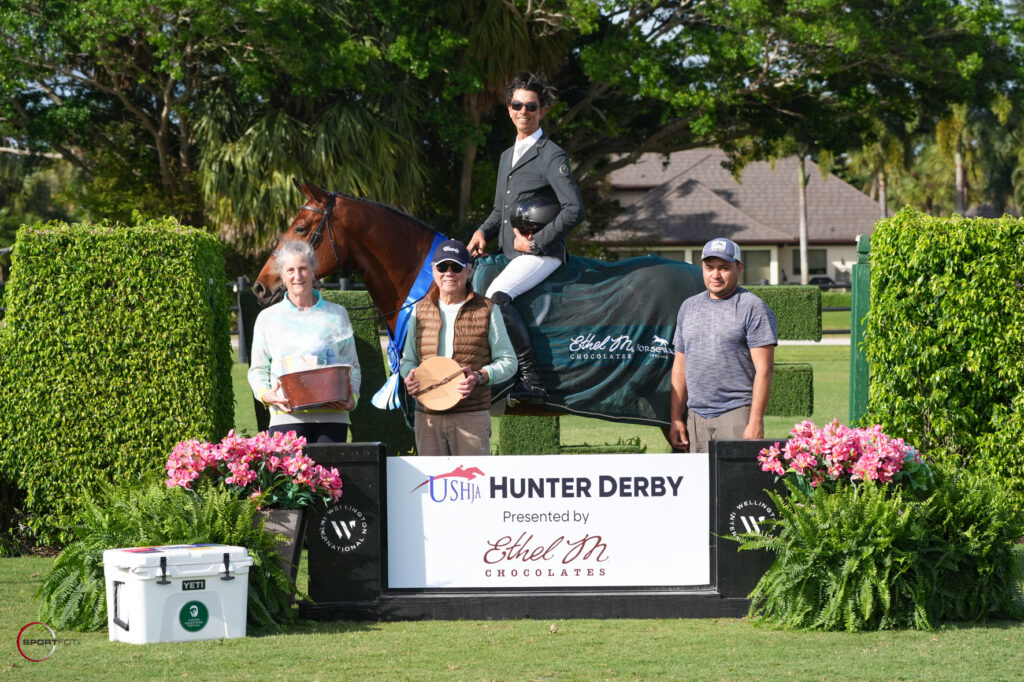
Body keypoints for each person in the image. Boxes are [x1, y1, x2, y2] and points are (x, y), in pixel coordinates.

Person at [466, 71, 584, 403]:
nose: (523, 112)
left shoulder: (551, 154)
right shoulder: (507, 155)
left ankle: (532, 379)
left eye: (531, 107)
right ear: (508, 108)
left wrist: (534, 243)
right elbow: (499, 211)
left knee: (496, 296)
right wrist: (481, 232)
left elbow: (574, 209)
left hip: (541, 254)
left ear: (542, 111)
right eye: (517, 105)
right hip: (511, 253)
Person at [400, 239, 517, 455]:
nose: (449, 273)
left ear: (469, 271)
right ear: (434, 270)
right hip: (428, 415)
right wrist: (410, 376)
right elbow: (408, 360)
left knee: (474, 487)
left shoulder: (487, 309)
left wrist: (480, 376)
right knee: (431, 485)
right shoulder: (419, 310)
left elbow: (509, 362)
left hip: (471, 415)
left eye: (456, 267)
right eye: (443, 267)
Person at [669, 237, 777, 454]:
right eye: (709, 268)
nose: (715, 275)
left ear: (739, 267)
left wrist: (755, 422)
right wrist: (675, 418)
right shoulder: (688, 307)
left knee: (737, 486)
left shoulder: (752, 307)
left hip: (736, 414)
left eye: (724, 268)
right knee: (700, 486)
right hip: (695, 417)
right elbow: (680, 366)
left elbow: (764, 370)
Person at [248, 240, 361, 443]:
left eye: (303, 268)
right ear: (282, 275)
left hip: (333, 419)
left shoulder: (337, 314)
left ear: (313, 271)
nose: (297, 276)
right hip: (285, 418)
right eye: (290, 270)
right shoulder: (267, 318)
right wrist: (266, 395)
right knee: (288, 477)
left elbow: (352, 366)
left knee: (330, 475)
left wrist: (353, 400)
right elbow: (257, 370)